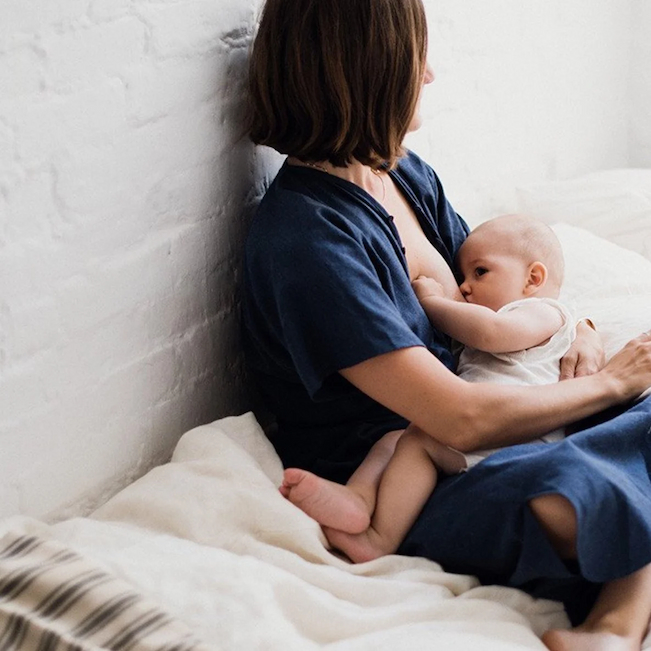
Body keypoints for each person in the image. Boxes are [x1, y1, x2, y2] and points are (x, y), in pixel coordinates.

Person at [242, 1, 651, 649]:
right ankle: (616, 622)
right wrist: (609, 386)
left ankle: (616, 623)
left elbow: (493, 294)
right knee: (588, 485)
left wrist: (584, 332)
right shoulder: (307, 241)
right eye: (415, 56)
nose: (428, 74)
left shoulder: (398, 170)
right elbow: (457, 418)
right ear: (367, 68)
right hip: (415, 470)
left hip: (491, 422)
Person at [280, 213, 578, 564]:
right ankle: (358, 498)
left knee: (421, 440)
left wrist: (433, 303)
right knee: (392, 439)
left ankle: (379, 538)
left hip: (521, 437)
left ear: (533, 278)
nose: (465, 287)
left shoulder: (545, 312)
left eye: (480, 272)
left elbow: (491, 333)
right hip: (490, 432)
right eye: (463, 276)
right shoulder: (512, 313)